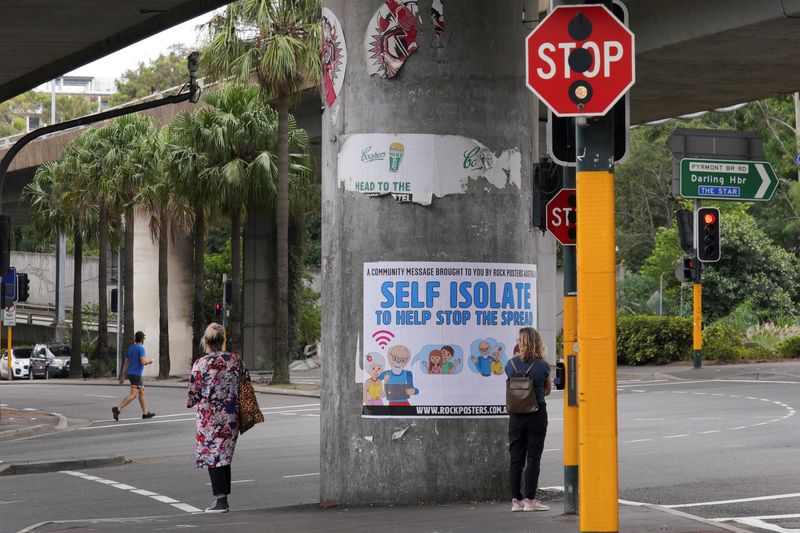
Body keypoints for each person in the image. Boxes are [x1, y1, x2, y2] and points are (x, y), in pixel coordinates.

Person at [187, 323, 248, 513]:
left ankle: (221, 500)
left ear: (206, 341)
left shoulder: (200, 364)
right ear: (222, 341)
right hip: (231, 417)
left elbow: (193, 396)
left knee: (213, 456)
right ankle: (224, 499)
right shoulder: (235, 361)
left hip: (209, 419)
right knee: (224, 456)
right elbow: (245, 385)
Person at [505, 327, 551, 512]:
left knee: (516, 458)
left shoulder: (510, 364)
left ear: (520, 342)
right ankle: (530, 500)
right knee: (533, 458)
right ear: (537, 342)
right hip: (536, 414)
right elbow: (547, 390)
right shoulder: (543, 366)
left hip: (516, 415)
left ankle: (516, 500)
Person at [112, 331, 155, 421]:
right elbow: (143, 362)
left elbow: (126, 363)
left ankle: (145, 413)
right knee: (133, 395)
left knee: (142, 391)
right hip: (136, 375)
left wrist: (122, 376)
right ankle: (118, 409)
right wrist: (150, 361)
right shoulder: (141, 348)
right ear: (142, 339)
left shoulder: (131, 348)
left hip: (131, 374)